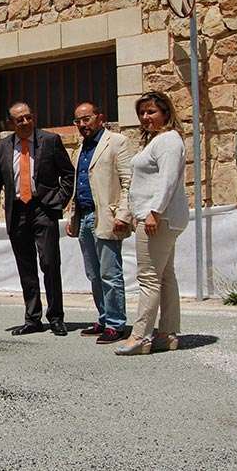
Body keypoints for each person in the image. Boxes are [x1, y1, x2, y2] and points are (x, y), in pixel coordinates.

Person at [0, 102, 75, 336]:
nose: (25, 122)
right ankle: (33, 318)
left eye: (28, 117)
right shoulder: (3, 146)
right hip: (17, 212)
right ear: (11, 123)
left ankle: (56, 317)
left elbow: (68, 174)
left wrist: (58, 201)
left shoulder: (50, 141)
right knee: (26, 267)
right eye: (19, 119)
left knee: (50, 264)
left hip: (44, 210)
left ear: (33, 118)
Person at [115, 91, 189, 356]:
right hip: (158, 217)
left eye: (151, 112)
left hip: (157, 219)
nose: (145, 117)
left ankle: (140, 336)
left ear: (166, 113)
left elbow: (168, 180)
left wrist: (153, 212)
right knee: (165, 276)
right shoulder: (159, 141)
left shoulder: (168, 141)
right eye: (142, 112)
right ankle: (167, 333)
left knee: (148, 278)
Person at [66, 102, 133, 345]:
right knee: (93, 274)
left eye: (86, 119)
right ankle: (104, 318)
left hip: (106, 216)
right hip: (84, 217)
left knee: (110, 274)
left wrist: (123, 215)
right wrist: (73, 217)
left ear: (100, 117)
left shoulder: (117, 142)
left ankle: (116, 323)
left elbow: (128, 181)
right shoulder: (81, 148)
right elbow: (80, 184)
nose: (82, 125)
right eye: (78, 121)